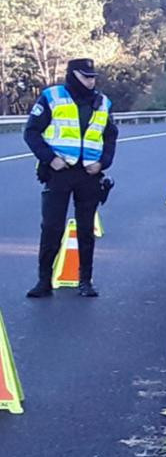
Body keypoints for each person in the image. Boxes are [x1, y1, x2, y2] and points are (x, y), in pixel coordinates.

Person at [23, 58, 118, 298]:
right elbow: (31, 132)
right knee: (52, 227)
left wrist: (103, 163)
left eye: (93, 76)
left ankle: (85, 281)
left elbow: (110, 137)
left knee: (86, 230)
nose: (91, 80)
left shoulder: (103, 103)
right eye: (86, 76)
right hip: (58, 172)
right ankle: (44, 281)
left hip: (88, 174)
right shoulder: (52, 97)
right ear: (73, 75)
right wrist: (49, 158)